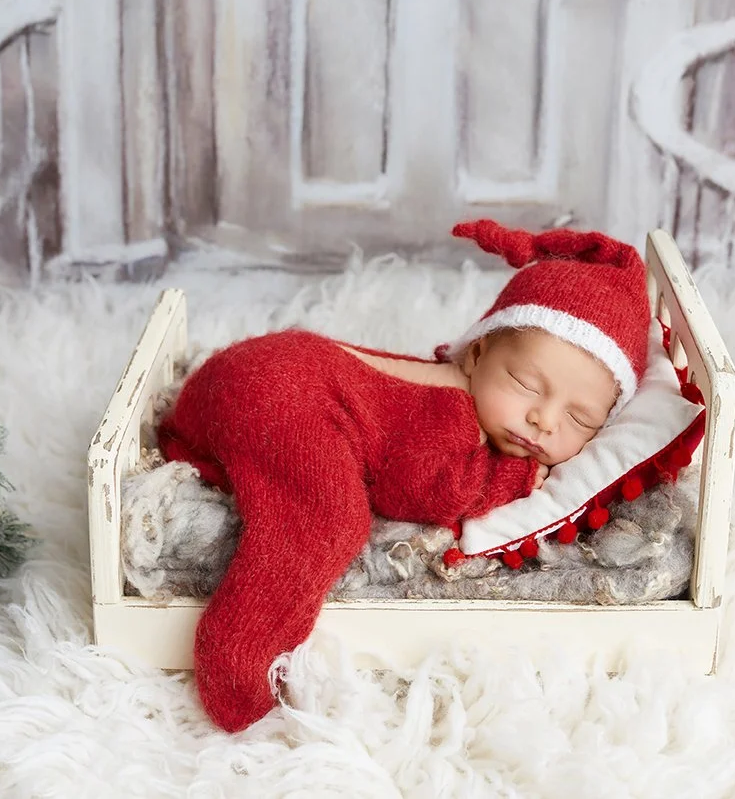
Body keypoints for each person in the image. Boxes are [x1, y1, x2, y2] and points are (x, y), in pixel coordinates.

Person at [157, 219, 651, 731]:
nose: (544, 420)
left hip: (240, 378)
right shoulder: (454, 414)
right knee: (329, 518)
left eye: (579, 420)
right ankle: (238, 665)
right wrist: (512, 480)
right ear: (477, 352)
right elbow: (412, 487)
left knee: (281, 464)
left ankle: (198, 443)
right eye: (526, 384)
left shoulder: (457, 390)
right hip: (279, 391)